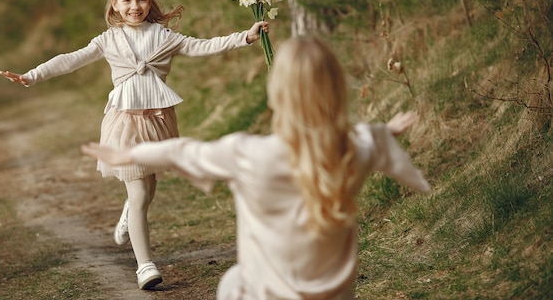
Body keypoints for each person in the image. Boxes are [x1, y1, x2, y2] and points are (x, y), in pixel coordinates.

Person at [81, 36, 431, 300]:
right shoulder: (352, 152)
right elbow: (369, 138)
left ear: (276, 92)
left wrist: (132, 155)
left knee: (232, 283)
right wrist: (390, 131)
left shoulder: (249, 154)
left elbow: (186, 151)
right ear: (338, 91)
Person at [0, 0, 269, 290]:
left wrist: (246, 36)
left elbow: (204, 45)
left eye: (141, 0)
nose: (134, 6)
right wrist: (33, 75)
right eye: (126, 1)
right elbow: (70, 59)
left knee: (147, 190)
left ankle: (130, 212)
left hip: (157, 120)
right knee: (140, 191)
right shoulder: (108, 40)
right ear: (114, 3)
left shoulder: (163, 36)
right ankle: (145, 265)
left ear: (149, 1)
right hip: (124, 122)